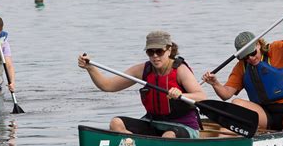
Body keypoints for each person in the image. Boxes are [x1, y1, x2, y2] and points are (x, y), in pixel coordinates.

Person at [78, 31, 207, 138]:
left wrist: (181, 94)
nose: (155, 56)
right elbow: (108, 85)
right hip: (153, 122)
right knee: (116, 123)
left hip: (183, 126)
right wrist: (90, 68)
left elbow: (202, 97)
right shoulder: (143, 70)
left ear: (169, 50)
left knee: (168, 136)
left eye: (159, 51)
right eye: (151, 52)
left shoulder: (180, 70)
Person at [202, 8, 283, 131]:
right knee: (236, 103)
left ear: (258, 44)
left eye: (253, 53)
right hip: (264, 114)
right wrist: (215, 83)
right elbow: (226, 94)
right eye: (245, 56)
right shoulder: (242, 66)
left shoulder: (278, 49)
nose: (250, 58)